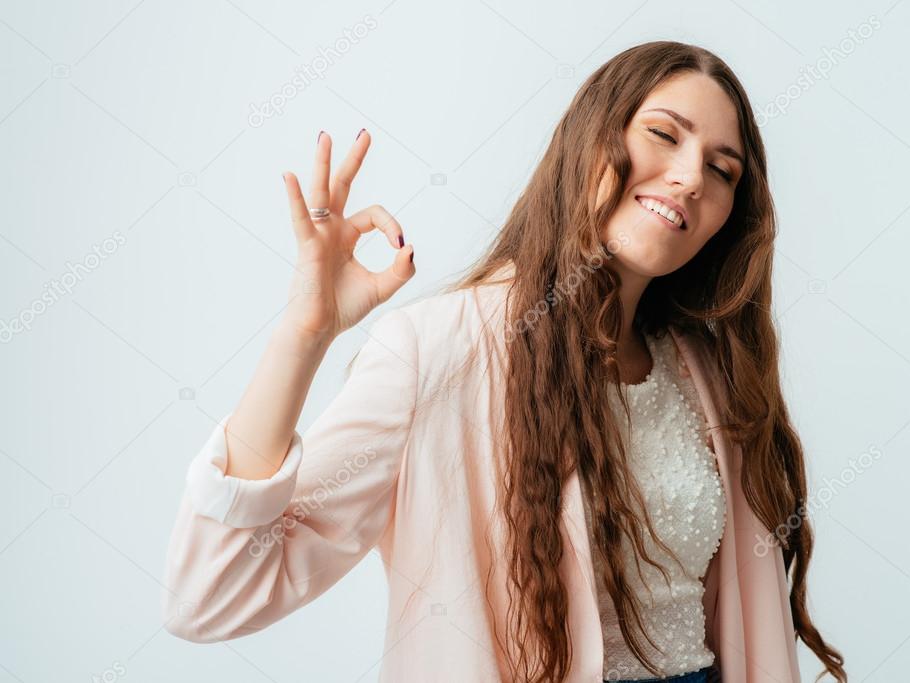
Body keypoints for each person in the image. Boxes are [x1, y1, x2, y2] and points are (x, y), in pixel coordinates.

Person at [161, 41, 846, 683]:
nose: (691, 176)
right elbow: (210, 599)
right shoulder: (437, 351)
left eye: (722, 170)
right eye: (664, 134)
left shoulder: (709, 374)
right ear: (590, 138)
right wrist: (303, 334)